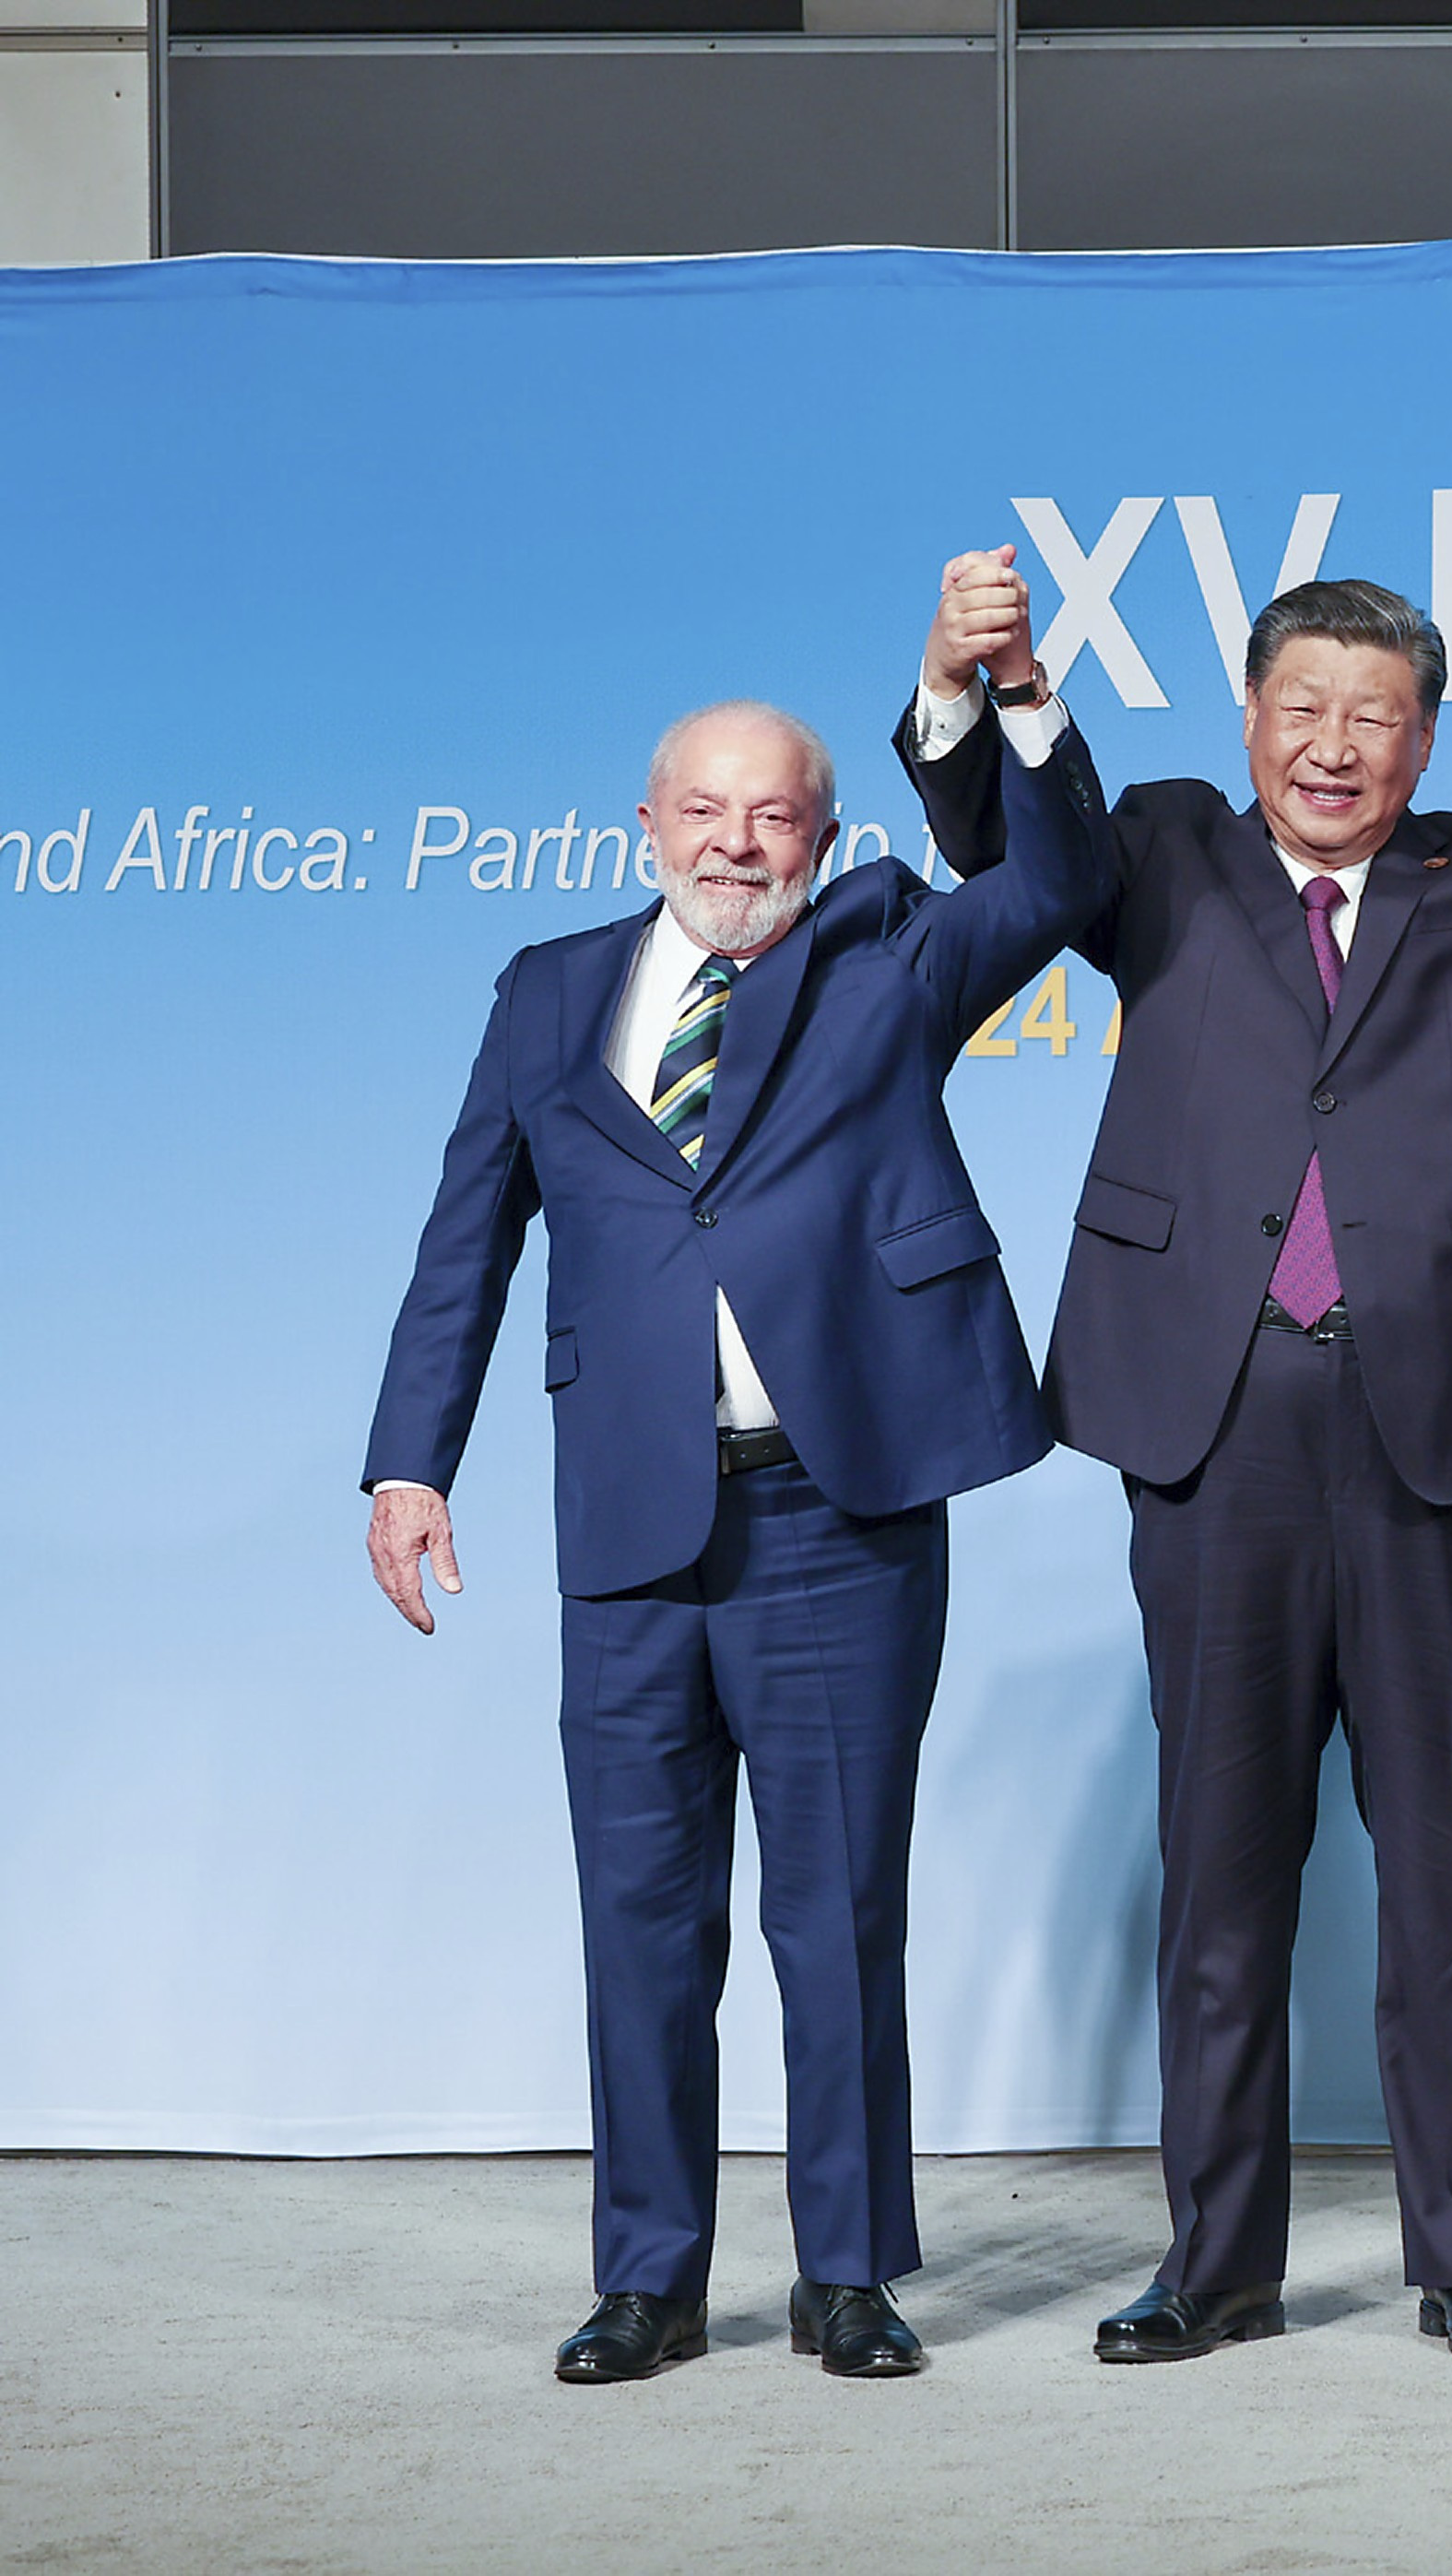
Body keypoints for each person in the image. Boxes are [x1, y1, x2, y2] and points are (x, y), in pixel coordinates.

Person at [892, 579, 1452, 2366]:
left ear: (1424, 742)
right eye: (1304, 706)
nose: (1335, 744)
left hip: (1443, 1420)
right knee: (1220, 1865)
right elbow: (1003, 838)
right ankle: (1215, 2257)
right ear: (1248, 713)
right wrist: (996, 692)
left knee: (1446, 1870)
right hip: (1215, 1414)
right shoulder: (1160, 851)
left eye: (1375, 715)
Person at [360, 553, 1112, 2383]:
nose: (740, 841)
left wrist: (993, 689)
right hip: (626, 1520)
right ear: (645, 824)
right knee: (641, 1916)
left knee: (836, 1911)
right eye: (705, 810)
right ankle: (650, 2273)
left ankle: (847, 2267)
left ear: (825, 830)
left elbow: (1068, 879)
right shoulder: (545, 994)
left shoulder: (888, 953)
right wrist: (408, 1464)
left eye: (779, 814)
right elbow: (469, 1237)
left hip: (836, 1516)